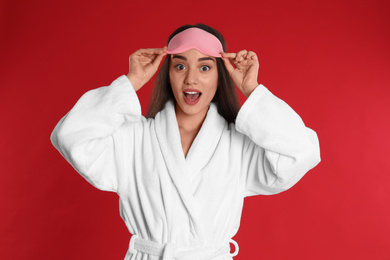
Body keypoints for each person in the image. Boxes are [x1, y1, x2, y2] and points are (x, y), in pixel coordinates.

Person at [51, 24, 321, 260]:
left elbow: (302, 152)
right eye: (180, 66)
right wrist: (131, 81)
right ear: (168, 74)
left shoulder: (239, 146)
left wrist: (252, 89)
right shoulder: (134, 139)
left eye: (205, 67)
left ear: (220, 77)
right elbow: (70, 135)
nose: (191, 78)